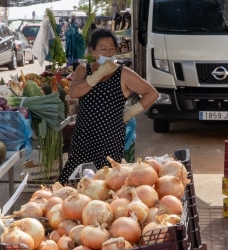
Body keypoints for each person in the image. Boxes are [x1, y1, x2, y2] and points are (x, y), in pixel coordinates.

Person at [59, 28, 157, 183]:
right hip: (84, 137)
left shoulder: (123, 73)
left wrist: (131, 111)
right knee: (75, 181)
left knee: (109, 182)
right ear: (93, 51)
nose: (108, 53)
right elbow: (74, 92)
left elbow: (152, 93)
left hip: (110, 138)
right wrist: (96, 76)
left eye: (112, 49)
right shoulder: (84, 70)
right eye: (103, 49)